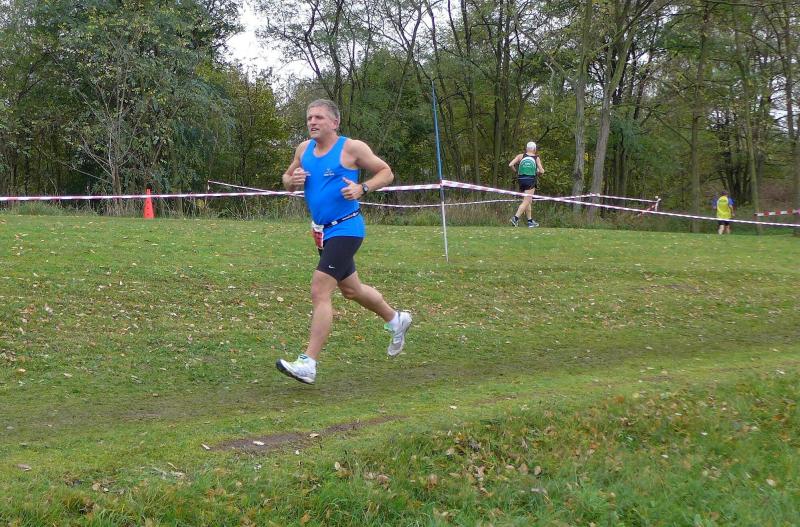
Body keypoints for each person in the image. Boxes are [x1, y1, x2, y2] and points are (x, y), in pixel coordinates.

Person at [276, 99, 412, 385]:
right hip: (322, 232)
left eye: (319, 117)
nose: (312, 122)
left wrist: (363, 187)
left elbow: (386, 172)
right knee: (352, 290)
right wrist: (292, 179)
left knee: (320, 289)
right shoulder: (303, 149)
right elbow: (286, 179)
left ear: (335, 122)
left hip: (347, 228)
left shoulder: (351, 148)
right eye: (309, 118)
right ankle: (395, 319)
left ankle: (308, 363)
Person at [508, 141, 545, 228]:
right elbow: (542, 171)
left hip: (521, 180)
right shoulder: (536, 158)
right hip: (530, 180)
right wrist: (538, 173)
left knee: (528, 200)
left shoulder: (520, 156)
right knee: (526, 201)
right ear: (534, 149)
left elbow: (510, 164)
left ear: (526, 148)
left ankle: (530, 221)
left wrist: (516, 172)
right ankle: (515, 218)